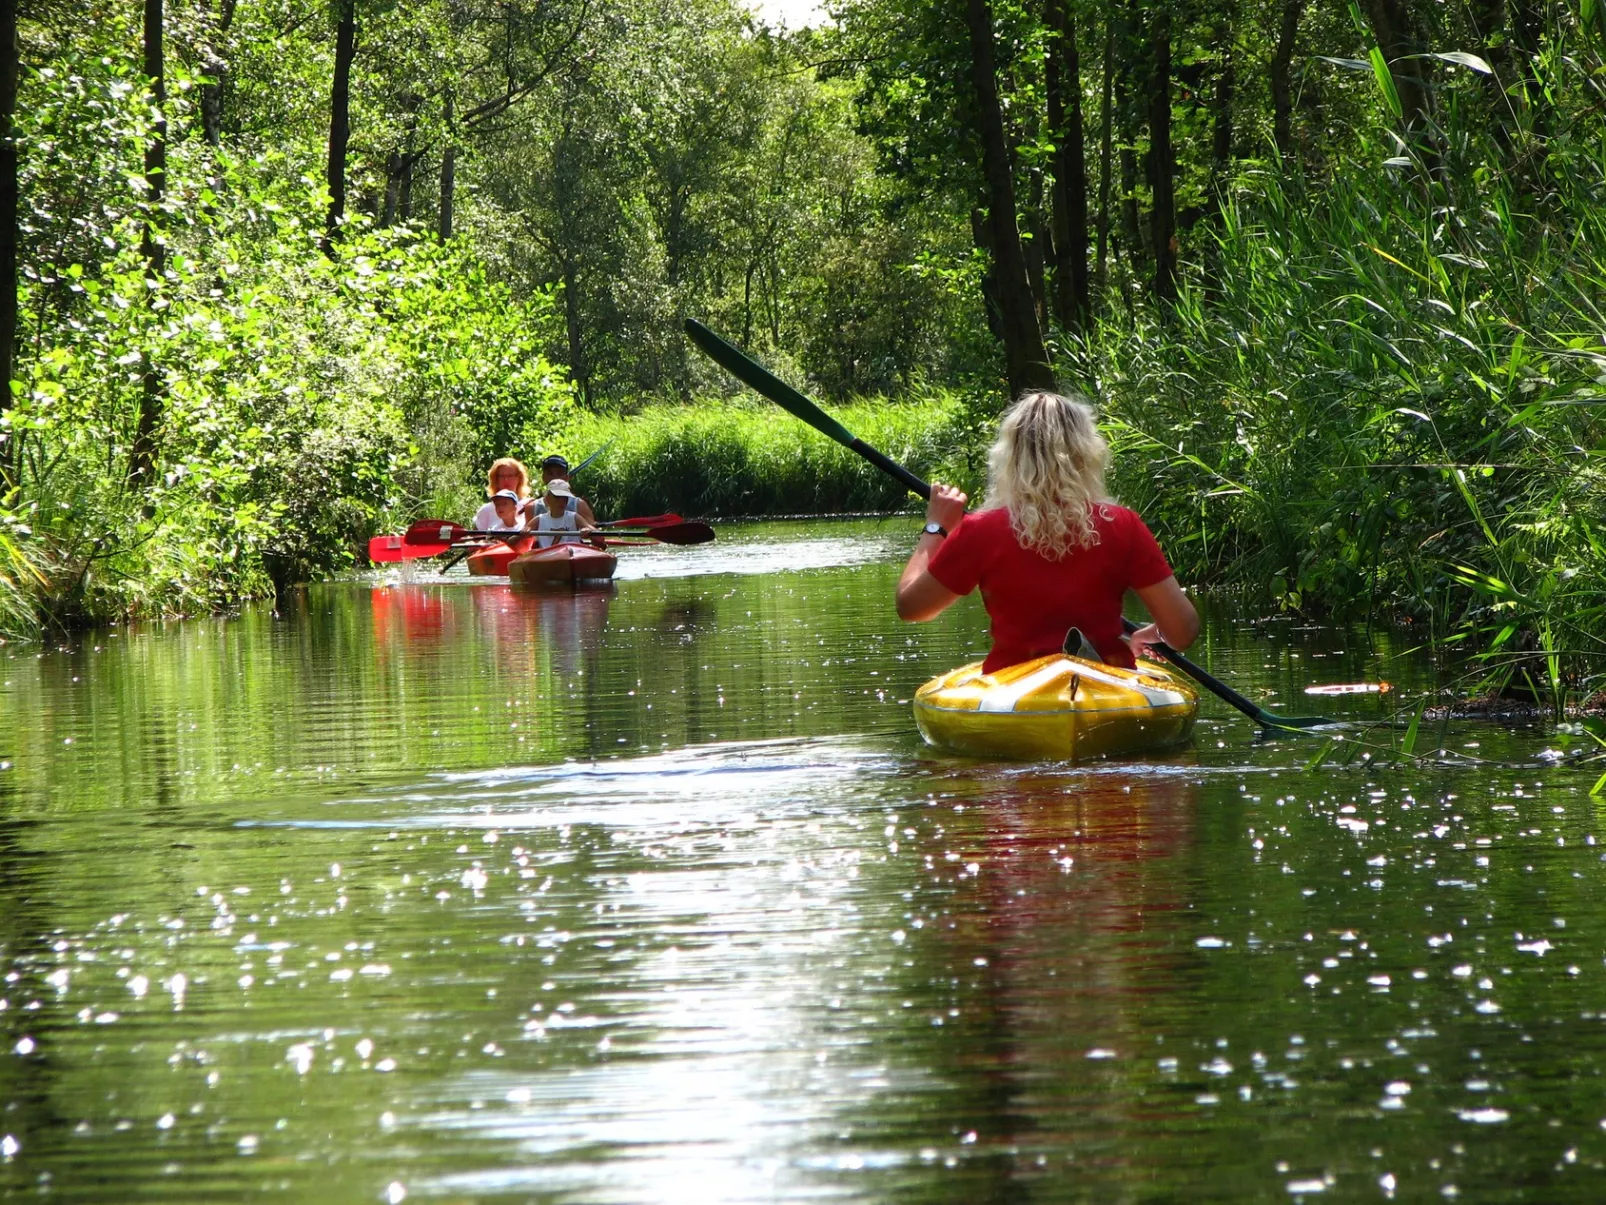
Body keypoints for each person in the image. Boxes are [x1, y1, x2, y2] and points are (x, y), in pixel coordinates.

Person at [895, 391, 1199, 672]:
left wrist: (936, 526)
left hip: (1015, 683)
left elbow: (911, 607)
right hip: (1107, 677)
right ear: (1087, 454)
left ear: (1010, 457)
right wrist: (1156, 632)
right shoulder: (1123, 525)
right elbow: (1183, 632)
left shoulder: (980, 530)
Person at [529, 454, 597, 526]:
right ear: (543, 477)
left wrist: (587, 530)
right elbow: (527, 536)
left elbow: (595, 535)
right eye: (550, 473)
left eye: (559, 473)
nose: (555, 477)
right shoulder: (532, 507)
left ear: (567, 478)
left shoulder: (579, 505)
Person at [473, 458, 535, 530]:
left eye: (510, 476)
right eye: (502, 476)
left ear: (519, 478)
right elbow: (476, 539)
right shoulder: (486, 510)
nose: (506, 480)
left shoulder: (530, 506)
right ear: (496, 479)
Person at [534, 479, 598, 548]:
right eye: (557, 497)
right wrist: (525, 530)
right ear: (547, 499)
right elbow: (525, 530)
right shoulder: (539, 519)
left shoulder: (574, 517)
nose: (562, 501)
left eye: (565, 497)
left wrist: (588, 530)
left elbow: (595, 531)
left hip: (574, 555)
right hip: (546, 557)